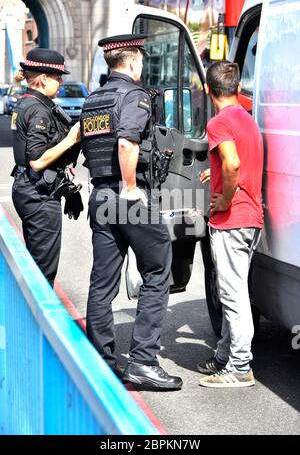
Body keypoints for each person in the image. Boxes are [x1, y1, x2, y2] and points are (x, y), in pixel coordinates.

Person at [80, 34, 182, 390]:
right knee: (157, 271)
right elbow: (126, 140)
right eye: (140, 60)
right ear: (134, 62)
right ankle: (142, 362)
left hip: (101, 198)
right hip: (128, 198)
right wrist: (130, 187)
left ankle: (99, 364)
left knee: (101, 283)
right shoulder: (135, 94)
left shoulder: (94, 100)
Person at [198, 60, 263, 388]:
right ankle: (225, 354)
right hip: (251, 217)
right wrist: (218, 172)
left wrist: (222, 200)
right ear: (238, 89)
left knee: (232, 293)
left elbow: (234, 162)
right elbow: (239, 161)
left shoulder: (219, 123)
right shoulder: (246, 120)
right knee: (233, 289)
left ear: (208, 90)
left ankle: (239, 366)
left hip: (232, 218)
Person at [11, 48, 82, 287]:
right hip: (38, 194)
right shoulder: (39, 109)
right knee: (43, 271)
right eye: (57, 78)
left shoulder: (28, 102)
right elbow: (37, 159)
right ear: (43, 79)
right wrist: (71, 139)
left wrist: (61, 162)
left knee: (36, 263)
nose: (61, 83)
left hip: (28, 187)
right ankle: (39, 322)